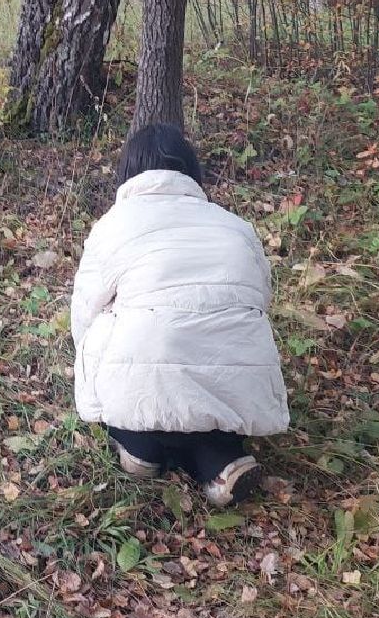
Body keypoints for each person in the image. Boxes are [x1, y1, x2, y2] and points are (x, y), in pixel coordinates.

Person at [70, 123, 289, 506]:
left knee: (113, 325)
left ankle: (141, 449)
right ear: (191, 171)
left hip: (143, 391)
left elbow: (85, 310)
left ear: (127, 172)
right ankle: (222, 463)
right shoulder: (236, 226)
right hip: (231, 386)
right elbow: (260, 298)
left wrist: (90, 374)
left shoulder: (113, 225)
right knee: (211, 409)